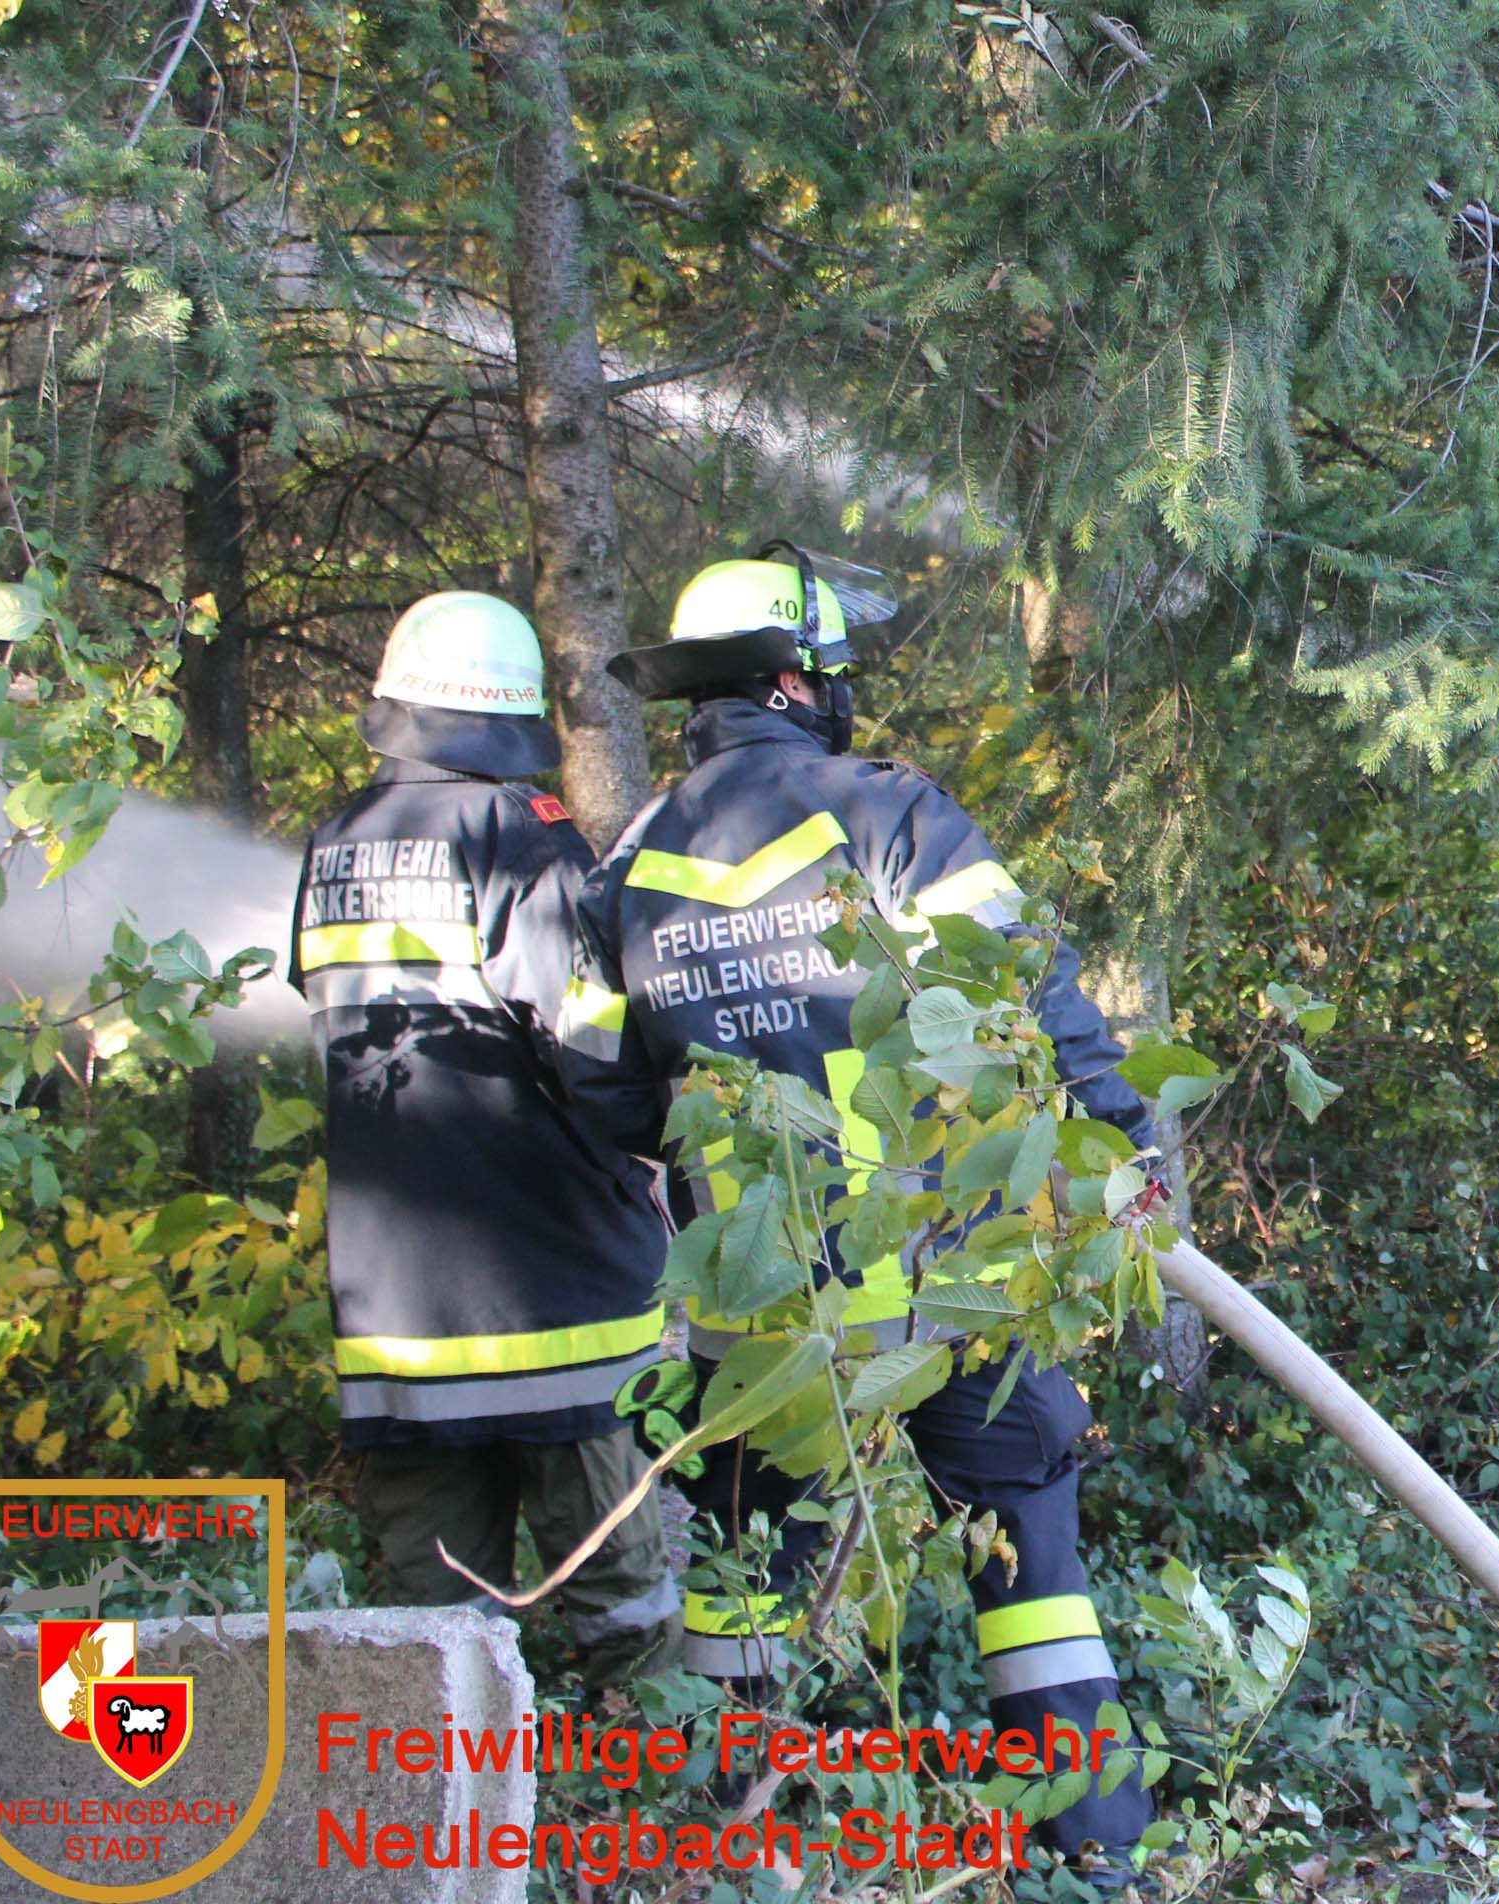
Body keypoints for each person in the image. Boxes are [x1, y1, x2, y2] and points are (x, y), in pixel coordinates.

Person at [555, 546, 1157, 1881]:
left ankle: (737, 1846)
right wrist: (1128, 1141)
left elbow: (598, 1095)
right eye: (829, 672)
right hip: (943, 1295)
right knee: (1027, 1553)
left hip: (760, 1329)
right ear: (792, 681)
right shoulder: (885, 810)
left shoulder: (630, 863)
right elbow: (1025, 991)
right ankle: (1090, 1853)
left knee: (746, 1579)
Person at [285, 592, 679, 1677]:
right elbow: (592, 1043)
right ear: (511, 717)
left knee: (424, 1644)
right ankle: (653, 1782)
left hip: (398, 1323)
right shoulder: (516, 833)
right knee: (625, 1610)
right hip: (553, 1302)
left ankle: (433, 1788)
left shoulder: (333, 844)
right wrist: (658, 1152)